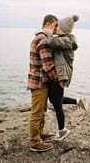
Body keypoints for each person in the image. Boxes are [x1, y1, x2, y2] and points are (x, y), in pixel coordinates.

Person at [44, 14, 90, 140]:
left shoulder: (65, 40)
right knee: (54, 99)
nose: (55, 27)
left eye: (57, 25)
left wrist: (47, 32)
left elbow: (51, 41)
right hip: (59, 75)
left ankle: (62, 130)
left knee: (57, 104)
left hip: (60, 76)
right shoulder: (65, 38)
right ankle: (78, 101)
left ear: (63, 28)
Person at [29, 14, 60, 152]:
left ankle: (40, 134)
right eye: (55, 25)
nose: (56, 29)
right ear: (48, 24)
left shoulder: (40, 37)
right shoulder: (43, 39)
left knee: (42, 110)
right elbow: (47, 64)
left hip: (39, 81)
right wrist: (59, 79)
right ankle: (35, 142)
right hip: (39, 82)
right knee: (36, 113)